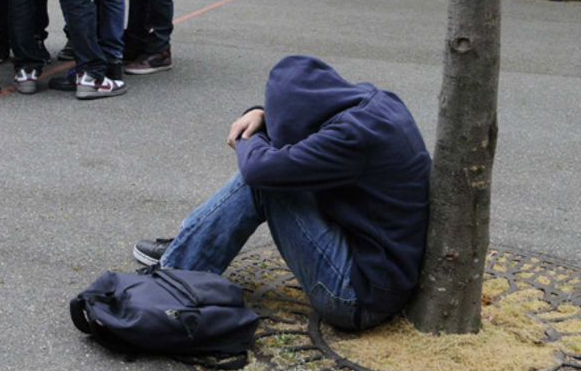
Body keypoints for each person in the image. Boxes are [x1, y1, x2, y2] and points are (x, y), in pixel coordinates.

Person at [133, 55, 432, 331]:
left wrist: (251, 133)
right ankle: (190, 249)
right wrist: (259, 112)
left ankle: (179, 268)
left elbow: (259, 171)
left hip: (358, 297)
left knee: (266, 184)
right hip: (381, 268)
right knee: (271, 172)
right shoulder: (374, 103)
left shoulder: (350, 138)